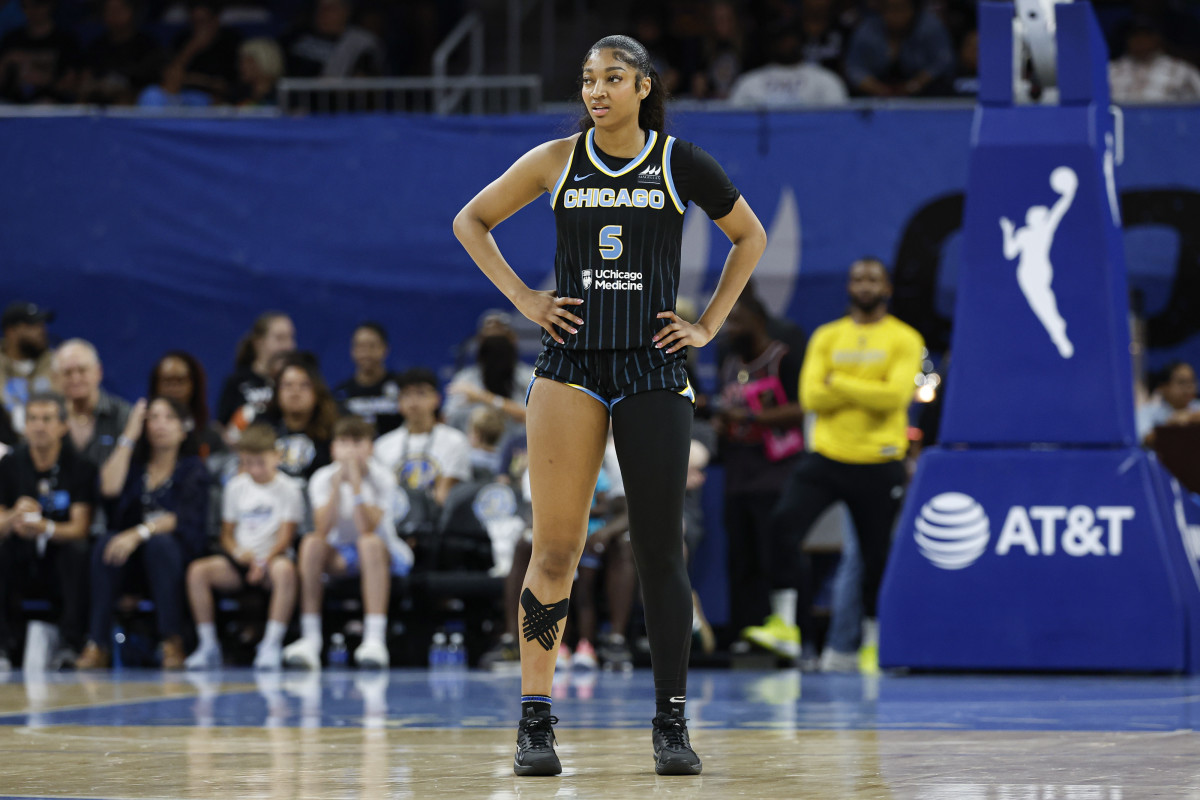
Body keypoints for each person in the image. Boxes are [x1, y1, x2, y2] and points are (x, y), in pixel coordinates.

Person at [453, 34, 766, 776]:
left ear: (644, 87)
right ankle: (535, 722)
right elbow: (472, 220)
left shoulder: (678, 161)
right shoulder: (556, 160)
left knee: (657, 548)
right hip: (570, 367)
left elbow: (747, 236)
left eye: (612, 78)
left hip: (652, 367)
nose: (596, 90)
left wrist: (710, 324)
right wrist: (525, 298)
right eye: (588, 78)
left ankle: (670, 721)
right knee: (554, 547)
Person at [768, 258, 922, 675]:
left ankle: (871, 644)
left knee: (874, 557)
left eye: (873, 278)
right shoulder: (827, 335)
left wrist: (841, 383)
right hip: (829, 456)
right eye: (857, 278)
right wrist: (863, 389)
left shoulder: (904, 338)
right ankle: (787, 626)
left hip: (879, 462)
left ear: (886, 287)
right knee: (783, 524)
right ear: (849, 287)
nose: (864, 285)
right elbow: (811, 398)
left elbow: (894, 399)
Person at [77, 397, 210, 670]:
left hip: (176, 558)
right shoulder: (136, 469)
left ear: (184, 428)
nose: (160, 425)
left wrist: (140, 532)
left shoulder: (192, 468)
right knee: (104, 544)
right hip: (134, 561)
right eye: (154, 418)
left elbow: (182, 518)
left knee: (160, 545)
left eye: (169, 417)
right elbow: (109, 488)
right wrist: (128, 436)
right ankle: (97, 643)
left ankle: (171, 640)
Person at [714, 291, 805, 657]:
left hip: (776, 470)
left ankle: (786, 631)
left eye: (736, 320)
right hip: (738, 469)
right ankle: (745, 633)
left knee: (776, 551)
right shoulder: (728, 359)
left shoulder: (783, 356)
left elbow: (801, 408)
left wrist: (751, 418)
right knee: (741, 556)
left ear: (758, 319)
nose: (730, 328)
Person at [282, 416, 414, 670]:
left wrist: (355, 486)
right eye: (343, 442)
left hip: (383, 554)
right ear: (333, 449)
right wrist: (335, 488)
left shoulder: (383, 478)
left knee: (368, 543)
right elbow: (322, 528)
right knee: (310, 544)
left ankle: (374, 640)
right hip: (342, 556)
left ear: (370, 448)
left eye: (357, 442)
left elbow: (367, 526)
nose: (350, 449)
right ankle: (311, 640)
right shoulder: (322, 478)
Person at [184, 424, 301, 670]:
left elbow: (285, 538)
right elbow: (226, 534)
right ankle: (208, 645)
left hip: (273, 559)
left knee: (286, 572)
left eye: (260, 462)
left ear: (276, 457)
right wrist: (240, 554)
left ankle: (271, 643)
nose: (254, 470)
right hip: (241, 560)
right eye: (247, 463)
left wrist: (262, 561)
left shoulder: (289, 489)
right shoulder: (235, 487)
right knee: (198, 571)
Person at [0, 392, 96, 670]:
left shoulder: (80, 467)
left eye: (47, 419)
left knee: (76, 551)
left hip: (59, 558)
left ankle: (69, 643)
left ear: (63, 426)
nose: (39, 426)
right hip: (21, 557)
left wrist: (44, 527)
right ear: (24, 425)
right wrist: (14, 517)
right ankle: (3, 645)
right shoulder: (10, 465)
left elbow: (80, 527)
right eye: (32, 419)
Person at [373, 367, 471, 508]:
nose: (413, 402)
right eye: (406, 395)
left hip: (440, 521)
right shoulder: (382, 446)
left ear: (437, 399)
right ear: (399, 402)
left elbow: (445, 494)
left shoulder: (456, 441)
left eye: (421, 394)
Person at [444, 311, 535, 437]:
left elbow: (535, 417)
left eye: (501, 339)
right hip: (474, 450)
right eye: (489, 340)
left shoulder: (529, 377)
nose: (496, 347)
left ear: (513, 339)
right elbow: (448, 421)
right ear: (480, 342)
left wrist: (483, 397)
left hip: (518, 450)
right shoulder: (465, 379)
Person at [844, 0, 955, 98]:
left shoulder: (930, 27)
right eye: (890, 9)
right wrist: (877, 89)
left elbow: (942, 63)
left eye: (901, 8)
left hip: (924, 92)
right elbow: (854, 67)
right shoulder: (867, 30)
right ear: (881, 11)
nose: (896, 15)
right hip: (878, 93)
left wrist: (914, 85)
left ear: (913, 9)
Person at [216, 311, 295, 444]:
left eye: (291, 338)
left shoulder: (296, 382)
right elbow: (220, 426)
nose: (288, 346)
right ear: (259, 342)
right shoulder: (238, 381)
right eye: (280, 338)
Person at [52, 339, 131, 469]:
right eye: (67, 373)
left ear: (98, 372)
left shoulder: (123, 415)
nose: (75, 379)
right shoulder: (49, 417)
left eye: (82, 370)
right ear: (56, 377)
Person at [259, 354, 335, 486]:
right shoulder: (261, 427)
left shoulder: (332, 430)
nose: (295, 392)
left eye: (304, 385)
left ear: (316, 391)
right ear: (277, 392)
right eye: (287, 385)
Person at [79, 0, 164, 106]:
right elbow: (86, 78)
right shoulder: (97, 46)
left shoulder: (147, 45)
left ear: (132, 12)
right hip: (99, 99)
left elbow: (152, 82)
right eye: (109, 10)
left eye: (119, 10)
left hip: (134, 102)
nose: (113, 15)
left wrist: (120, 87)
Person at [332, 322, 404, 436]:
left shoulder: (402, 388)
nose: (366, 353)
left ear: (385, 348)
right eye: (360, 346)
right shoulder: (341, 394)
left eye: (372, 346)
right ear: (353, 351)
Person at [0, 0, 80, 103]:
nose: (31, 11)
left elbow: (71, 84)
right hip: (12, 104)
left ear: (49, 5)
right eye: (25, 6)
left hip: (51, 103)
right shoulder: (12, 39)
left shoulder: (65, 40)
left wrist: (45, 80)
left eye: (36, 5)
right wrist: (7, 60)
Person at [282, 0, 386, 79]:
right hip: (295, 104)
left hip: (338, 104)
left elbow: (362, 83)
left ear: (345, 12)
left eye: (330, 9)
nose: (322, 13)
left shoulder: (360, 42)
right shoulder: (298, 35)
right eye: (320, 8)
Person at [148, 351, 222, 459]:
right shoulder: (142, 435)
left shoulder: (210, 437)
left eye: (180, 381)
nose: (173, 388)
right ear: (156, 385)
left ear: (193, 385)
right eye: (167, 382)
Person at [1109, 18, 1200, 104]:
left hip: (1165, 120)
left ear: (1157, 38)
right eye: (1135, 34)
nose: (1140, 39)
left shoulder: (1181, 69)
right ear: (1127, 39)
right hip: (1120, 119)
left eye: (1146, 34)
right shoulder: (1110, 70)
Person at [0, 300, 57, 436]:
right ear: (11, 332)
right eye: (33, 326)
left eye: (42, 325)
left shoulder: (55, 364)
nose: (41, 330)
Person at [1138, 361, 1200, 446]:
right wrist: (1171, 426)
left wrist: (1188, 418)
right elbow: (1145, 439)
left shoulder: (1197, 406)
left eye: (1192, 381)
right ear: (1163, 387)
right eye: (1182, 382)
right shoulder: (1147, 411)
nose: (1189, 387)